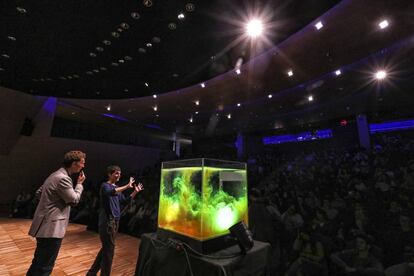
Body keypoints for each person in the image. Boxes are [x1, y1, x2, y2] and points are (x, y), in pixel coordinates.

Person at [27, 150, 86, 276]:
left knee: (38, 262)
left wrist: (51, 203)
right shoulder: (64, 178)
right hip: (51, 229)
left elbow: (39, 193)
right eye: (82, 163)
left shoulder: (54, 174)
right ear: (74, 163)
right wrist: (79, 185)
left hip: (43, 226)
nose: (83, 166)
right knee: (45, 267)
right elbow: (74, 200)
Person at [87, 165, 144, 276]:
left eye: (119, 173)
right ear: (109, 174)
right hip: (107, 222)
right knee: (109, 251)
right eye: (116, 173)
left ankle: (91, 273)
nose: (119, 175)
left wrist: (135, 192)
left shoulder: (117, 188)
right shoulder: (105, 186)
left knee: (106, 248)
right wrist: (127, 186)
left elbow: (125, 201)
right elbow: (111, 192)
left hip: (114, 222)